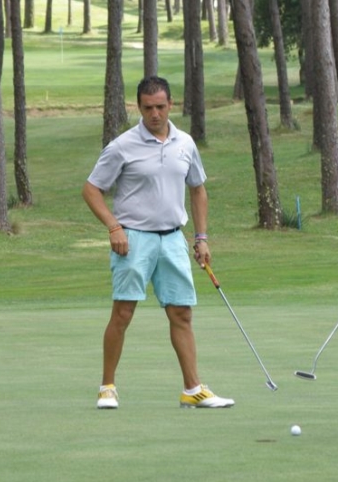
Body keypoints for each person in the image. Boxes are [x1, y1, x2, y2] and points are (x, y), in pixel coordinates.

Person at [82, 76, 234, 409]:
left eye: (161, 107)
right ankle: (107, 387)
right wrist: (113, 227)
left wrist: (202, 237)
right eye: (148, 107)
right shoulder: (122, 145)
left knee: (182, 314)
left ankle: (192, 389)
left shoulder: (186, 143)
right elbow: (91, 189)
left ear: (171, 105)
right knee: (123, 312)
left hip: (173, 239)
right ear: (139, 107)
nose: (155, 114)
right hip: (133, 239)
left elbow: (198, 189)